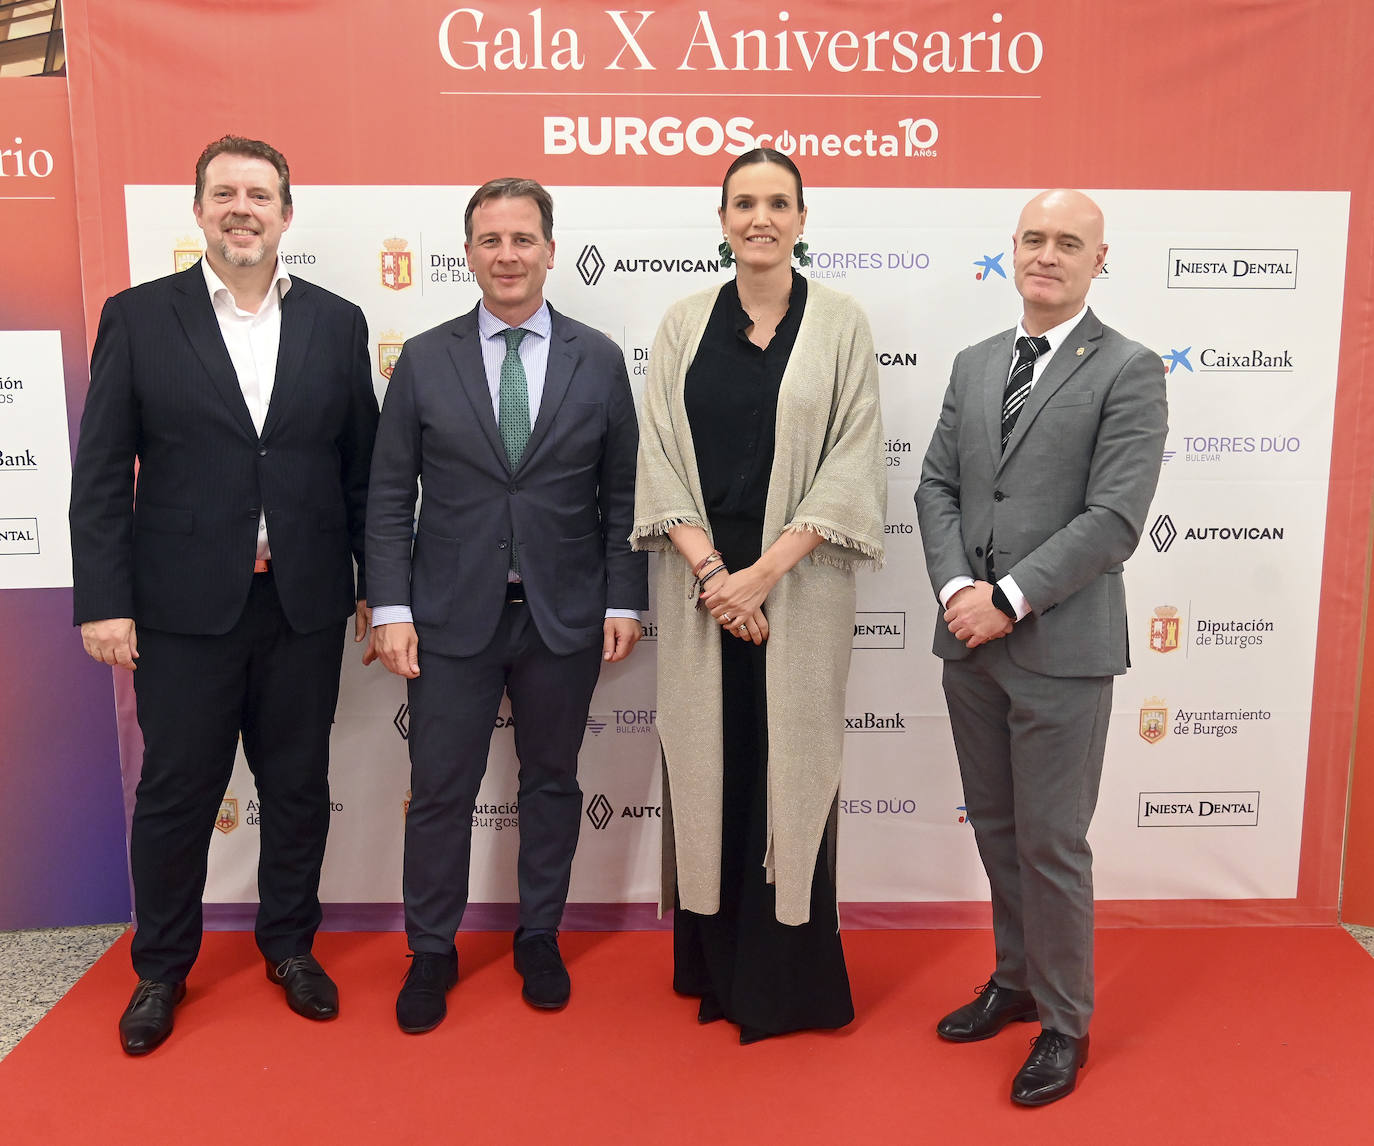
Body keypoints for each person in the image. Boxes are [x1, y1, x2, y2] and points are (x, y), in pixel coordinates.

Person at [69, 135, 379, 1055]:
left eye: (260, 194)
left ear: (288, 212)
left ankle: (290, 948)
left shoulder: (337, 321)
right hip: (179, 612)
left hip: (303, 604)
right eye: (225, 194)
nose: (242, 208)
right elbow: (98, 478)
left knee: (297, 789)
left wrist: (376, 588)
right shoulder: (137, 317)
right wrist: (103, 601)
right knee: (174, 794)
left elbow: (361, 474)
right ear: (199, 209)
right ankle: (161, 968)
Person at [365, 177, 647, 1033]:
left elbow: (623, 493)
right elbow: (386, 494)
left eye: (523, 239)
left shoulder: (597, 357)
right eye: (491, 240)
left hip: (563, 617)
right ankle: (432, 951)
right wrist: (389, 610)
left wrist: (624, 601)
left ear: (550, 250)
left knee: (553, 784)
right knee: (441, 789)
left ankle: (538, 937)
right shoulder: (425, 356)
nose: (508, 255)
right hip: (449, 618)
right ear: (469, 254)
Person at [916, 189, 1168, 1105]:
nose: (1049, 254)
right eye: (1035, 239)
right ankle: (1015, 981)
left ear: (1101, 260)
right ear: (1012, 251)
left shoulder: (1130, 369)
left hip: (1061, 648)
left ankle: (1065, 1022)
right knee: (997, 831)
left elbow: (1114, 518)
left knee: (1052, 844)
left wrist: (1008, 601)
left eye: (1071, 242)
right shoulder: (977, 364)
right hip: (967, 645)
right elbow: (936, 487)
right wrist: (956, 594)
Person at [632, 148, 886, 1044]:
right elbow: (657, 457)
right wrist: (713, 578)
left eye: (779, 203)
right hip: (704, 591)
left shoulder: (844, 322)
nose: (761, 218)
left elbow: (855, 465)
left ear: (802, 219)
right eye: (745, 203)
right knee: (713, 764)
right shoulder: (682, 323)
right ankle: (710, 961)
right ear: (723, 217)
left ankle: (787, 979)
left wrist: (763, 576)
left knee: (792, 769)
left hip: (799, 592)